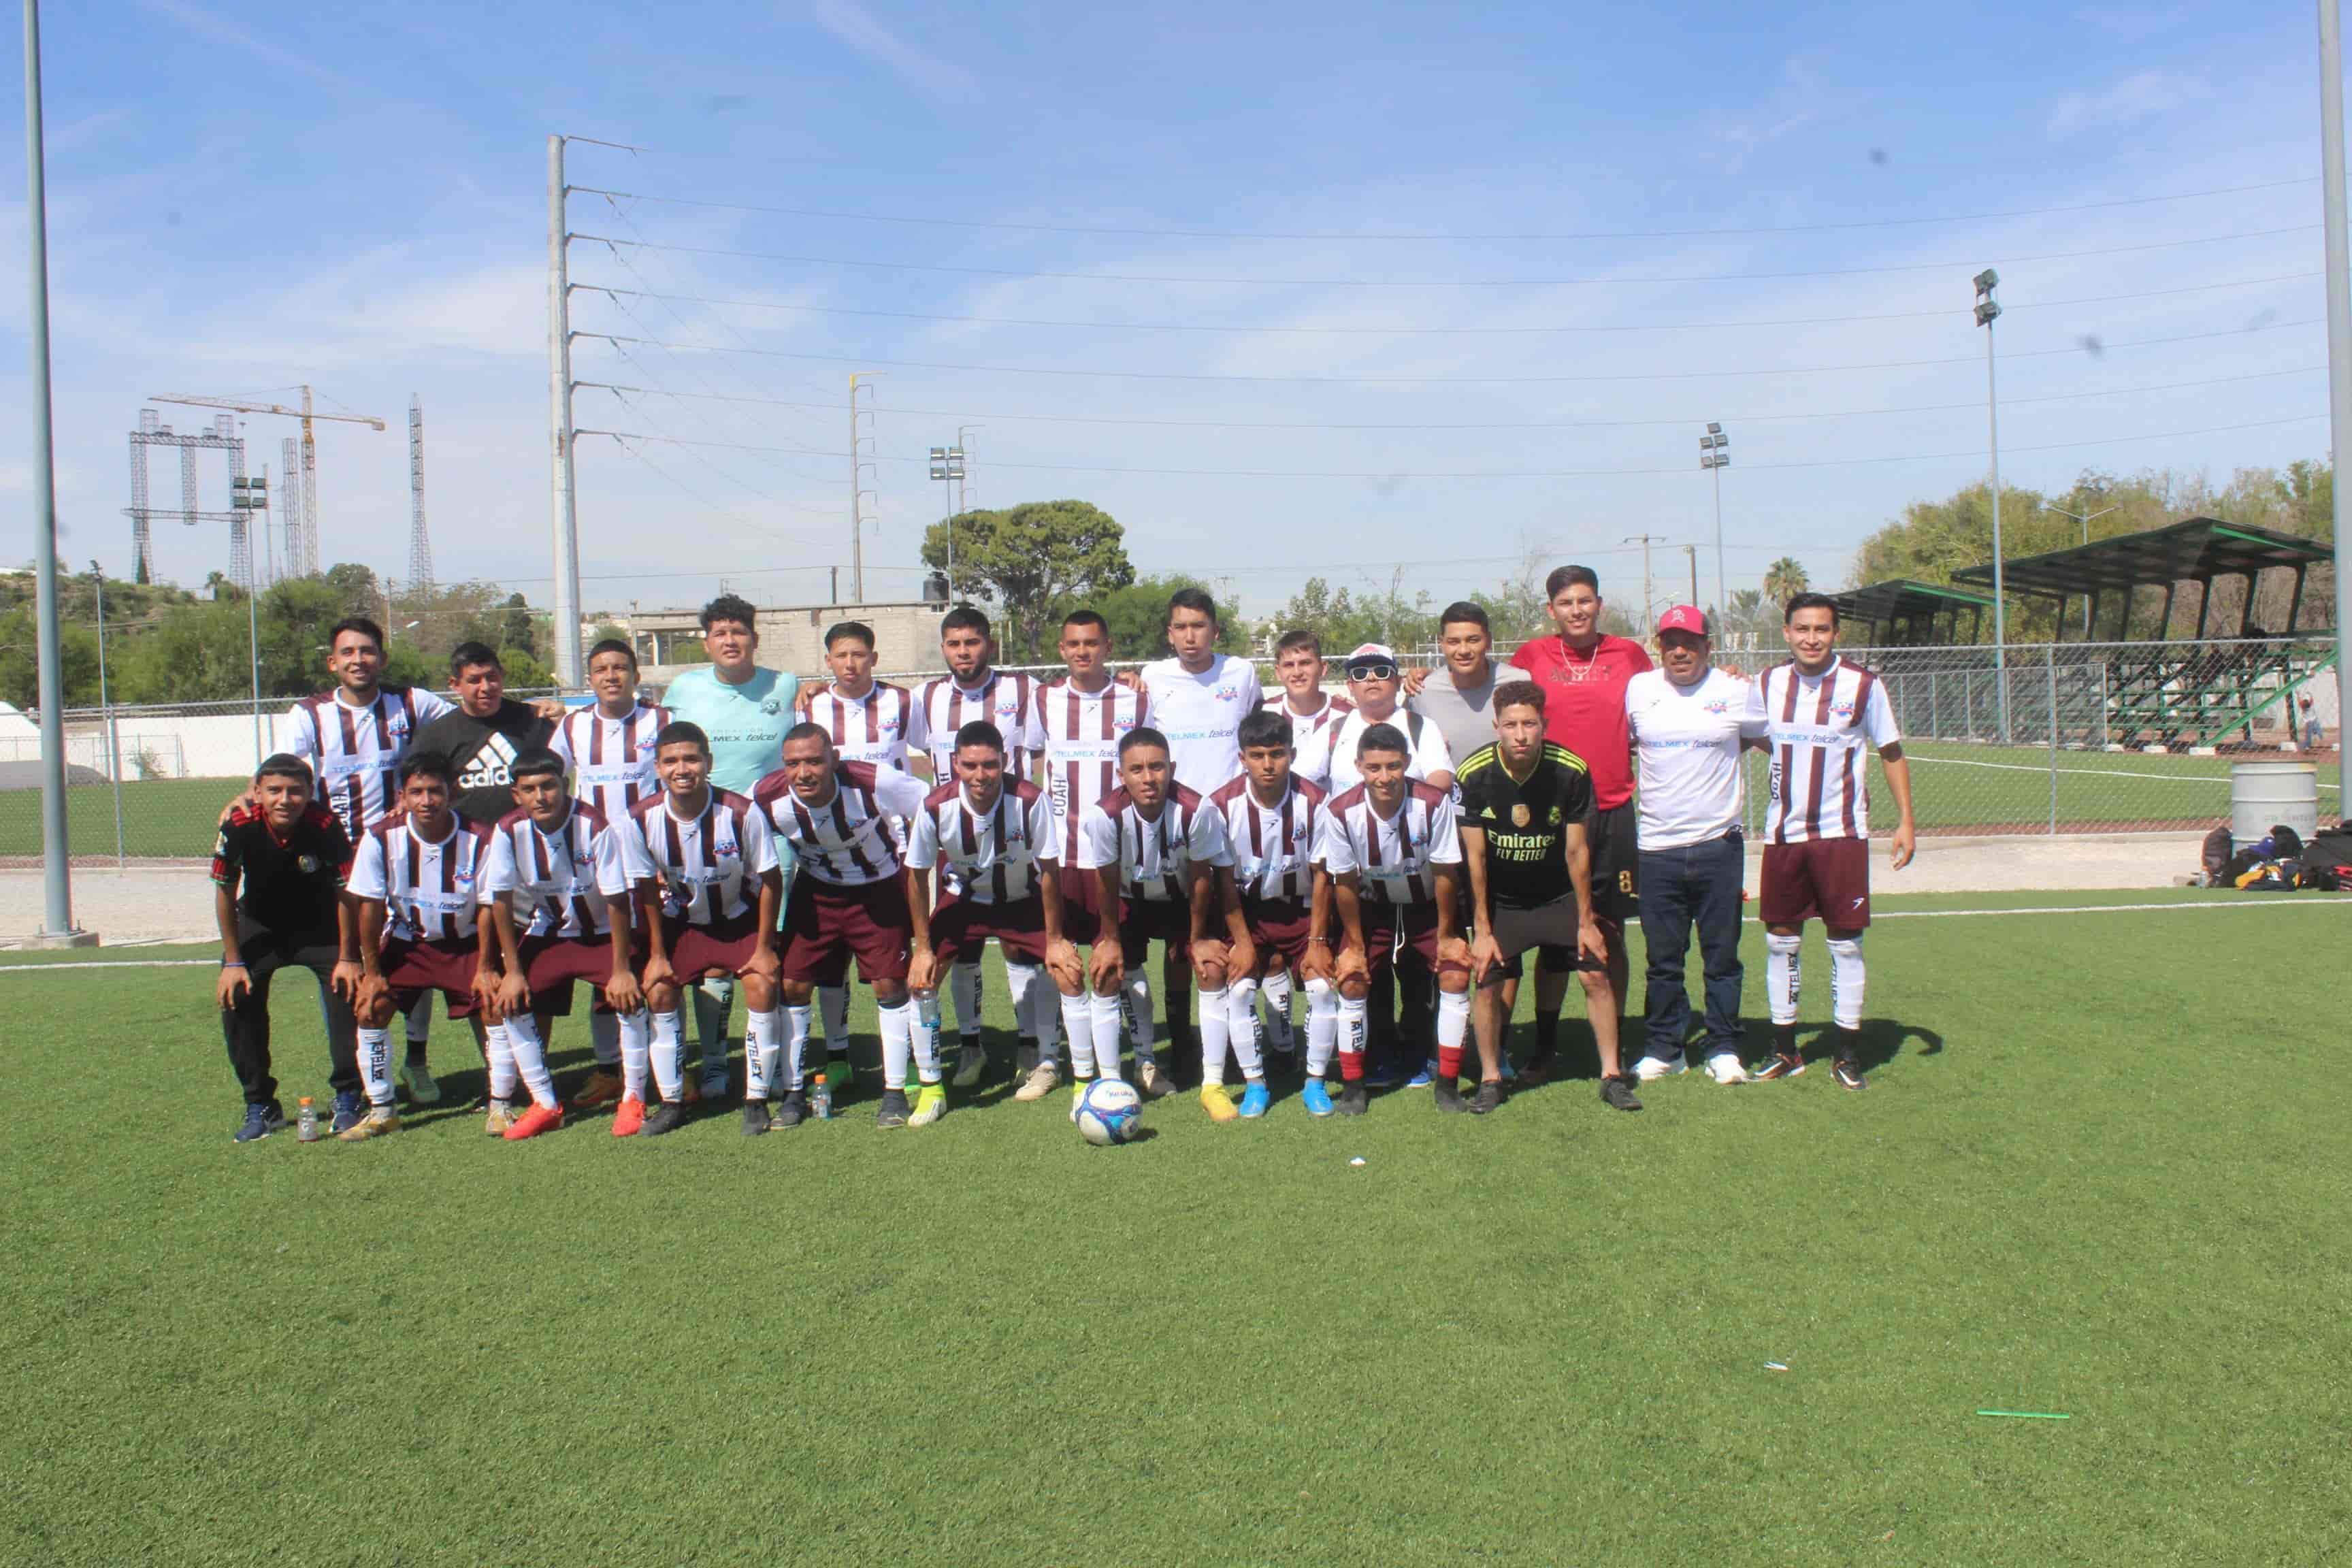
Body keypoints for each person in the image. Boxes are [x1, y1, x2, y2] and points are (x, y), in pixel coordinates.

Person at [1745, 593, 1917, 1091]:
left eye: (1822, 629)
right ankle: (1785, 1049)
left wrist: (1906, 821)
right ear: (1786, 632)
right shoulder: (1767, 683)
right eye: (1803, 629)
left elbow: (1891, 750)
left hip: (1842, 835)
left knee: (1845, 943)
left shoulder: (1864, 685)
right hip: (1784, 835)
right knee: (1781, 941)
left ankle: (1846, 1052)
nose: (1812, 638)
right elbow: (1755, 735)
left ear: (1836, 633)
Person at [280, 615, 453, 1104]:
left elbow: (469, 727)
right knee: (347, 965)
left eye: (368, 651)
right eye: (349, 652)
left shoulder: (413, 703)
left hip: (404, 859)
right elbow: (285, 772)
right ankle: (356, 1081)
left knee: (416, 959)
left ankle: (415, 1061)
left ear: (383, 657)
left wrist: (535, 711)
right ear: (333, 662)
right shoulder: (308, 715)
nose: (359, 660)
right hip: (336, 867)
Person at [1456, 683, 1634, 1113]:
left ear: (1544, 726)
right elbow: (1475, 857)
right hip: (1505, 900)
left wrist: (1586, 921)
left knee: (1595, 971)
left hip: (1557, 896)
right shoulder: (1474, 773)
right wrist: (1481, 928)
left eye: (1530, 724)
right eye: (1512, 725)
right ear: (1496, 726)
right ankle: (1492, 1078)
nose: (1521, 735)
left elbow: (1577, 850)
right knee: (1485, 979)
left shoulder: (1570, 770)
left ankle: (1613, 1074)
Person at [1505, 566, 1651, 1078]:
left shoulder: (1629, 655)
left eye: (1585, 600)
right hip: (1551, 814)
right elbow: (1495, 700)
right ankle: (1544, 1046)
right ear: (1552, 610)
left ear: (1599, 603)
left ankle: (1619, 1036)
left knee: (1611, 933)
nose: (1576, 610)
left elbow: (1668, 694)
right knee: (1553, 936)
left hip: (1612, 810)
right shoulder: (1531, 657)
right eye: (1566, 602)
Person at [753, 725, 935, 1129]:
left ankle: (893, 1092)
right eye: (793, 764)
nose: (804, 772)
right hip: (816, 890)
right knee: (794, 986)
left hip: (879, 889)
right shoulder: (766, 797)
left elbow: (930, 802)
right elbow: (743, 839)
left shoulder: (872, 782)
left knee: (889, 986)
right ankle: (794, 1093)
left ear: (833, 759)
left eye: (814, 761)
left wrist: (917, 854)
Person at [1292, 642, 1454, 1089]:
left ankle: (1420, 1052)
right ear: (1348, 684)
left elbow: (1441, 779)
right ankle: (1380, 1052)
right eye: (1360, 673)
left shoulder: (1420, 725)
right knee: (1371, 967)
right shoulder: (1333, 731)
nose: (1371, 680)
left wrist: (1399, 807)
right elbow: (1303, 783)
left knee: (1421, 972)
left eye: (1382, 670)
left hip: (1416, 864)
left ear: (1398, 679)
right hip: (1360, 876)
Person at [904, 722, 1087, 1113]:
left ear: (1004, 762)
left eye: (989, 765)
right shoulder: (936, 806)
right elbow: (917, 877)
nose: (980, 775)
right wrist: (922, 948)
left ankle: (1053, 1064)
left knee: (1068, 970)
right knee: (922, 980)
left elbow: (1051, 868)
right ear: (955, 764)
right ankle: (933, 1086)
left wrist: (1055, 940)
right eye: (970, 765)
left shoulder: (1028, 799)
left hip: (1022, 898)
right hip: (965, 901)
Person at [660, 595, 800, 1104]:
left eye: (738, 631)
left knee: (773, 953)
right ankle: (717, 1065)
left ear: (754, 638)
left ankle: (778, 1060)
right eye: (720, 632)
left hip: (775, 839)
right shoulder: (684, 689)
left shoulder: (785, 687)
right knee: (717, 960)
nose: (730, 640)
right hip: (708, 840)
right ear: (707, 642)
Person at [619, 721, 783, 1136]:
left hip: (737, 919)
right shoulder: (639, 820)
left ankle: (756, 1098)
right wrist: (657, 955)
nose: (682, 768)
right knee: (658, 989)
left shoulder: (741, 812)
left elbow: (771, 879)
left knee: (762, 985)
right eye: (671, 760)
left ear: (708, 763)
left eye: (691, 758)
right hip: (682, 923)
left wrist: (764, 948)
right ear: (657, 767)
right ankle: (672, 1102)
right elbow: (645, 891)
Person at [1625, 608, 1761, 1086]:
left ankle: (1723, 1047)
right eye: (1670, 642)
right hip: (1657, 848)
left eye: (1690, 642)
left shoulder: (1736, 691)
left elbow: (1769, 741)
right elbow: (1622, 745)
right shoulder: (1640, 689)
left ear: (1708, 646)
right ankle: (1665, 1048)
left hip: (1718, 846)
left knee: (1722, 957)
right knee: (1663, 961)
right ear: (1660, 646)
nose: (1679, 651)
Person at [916, 606, 1049, 1090]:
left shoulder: (1023, 690)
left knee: (1020, 944)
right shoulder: (925, 697)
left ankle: (1031, 1045)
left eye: (972, 642)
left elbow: (1046, 732)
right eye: (954, 643)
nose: (963, 651)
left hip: (1015, 834)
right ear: (944, 648)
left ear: (988, 644)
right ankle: (970, 1047)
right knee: (963, 948)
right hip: (959, 837)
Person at [478, 749, 642, 1141]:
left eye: (549, 786)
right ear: (516, 795)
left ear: (564, 786)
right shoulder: (507, 829)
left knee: (632, 997)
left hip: (603, 931)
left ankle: (633, 1098)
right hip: (550, 931)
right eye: (530, 789)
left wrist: (621, 970)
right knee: (511, 999)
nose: (541, 797)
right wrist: (512, 970)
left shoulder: (592, 824)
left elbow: (618, 899)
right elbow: (499, 898)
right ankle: (545, 1103)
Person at [1315, 723, 1474, 1115]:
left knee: (1454, 973)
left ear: (1406, 763)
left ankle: (1448, 1085)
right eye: (1374, 768)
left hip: (1424, 906)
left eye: (1392, 766)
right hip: (1373, 908)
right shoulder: (1340, 812)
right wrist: (1352, 945)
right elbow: (1345, 882)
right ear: (1359, 767)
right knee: (1352, 981)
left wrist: (1449, 933)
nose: (1384, 777)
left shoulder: (1434, 804)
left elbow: (1444, 873)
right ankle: (1354, 1089)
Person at [1077, 727, 1237, 1109]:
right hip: (1129, 901)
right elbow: (1105, 880)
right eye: (1137, 770)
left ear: (1172, 768)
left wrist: (1197, 938)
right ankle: (1119, 1077)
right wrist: (1110, 939)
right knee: (1108, 972)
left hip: (1183, 900)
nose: (1148, 778)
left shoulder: (1198, 810)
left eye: (1157, 767)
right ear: (1121, 776)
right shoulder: (1103, 816)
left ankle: (1190, 1058)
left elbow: (1202, 877)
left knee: (1198, 964)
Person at [344, 754, 502, 1141]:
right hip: (408, 942)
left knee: (494, 1005)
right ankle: (382, 1108)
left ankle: (500, 1102)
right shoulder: (382, 835)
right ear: (403, 795)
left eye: (435, 791)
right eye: (417, 792)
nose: (427, 801)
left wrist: (485, 966)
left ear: (453, 793)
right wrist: (373, 973)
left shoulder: (482, 836)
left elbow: (487, 906)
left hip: (463, 943)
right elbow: (369, 905)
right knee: (371, 1006)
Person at [1139, 589, 1262, 1081]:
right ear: (1170, 633)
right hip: (1176, 825)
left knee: (1236, 929)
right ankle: (1183, 1039)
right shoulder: (1152, 678)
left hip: (1233, 827)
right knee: (1178, 942)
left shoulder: (1242, 673)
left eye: (1199, 626)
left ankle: (1238, 1037)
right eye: (1181, 627)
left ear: (1215, 630)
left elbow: (1255, 735)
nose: (1190, 636)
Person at [545, 637, 668, 1111]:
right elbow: (551, 780)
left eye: (620, 668)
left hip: (648, 859)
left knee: (651, 962)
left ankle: (660, 1063)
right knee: (605, 964)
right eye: (601, 669)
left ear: (636, 676)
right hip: (591, 863)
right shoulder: (574, 726)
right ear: (591, 678)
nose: (611, 676)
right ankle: (606, 1068)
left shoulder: (659, 721)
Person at [803, 620, 927, 1087]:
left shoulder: (901, 702)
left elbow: (928, 752)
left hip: (892, 851)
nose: (850, 664)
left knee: (899, 963)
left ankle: (911, 1058)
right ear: (828, 661)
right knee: (830, 967)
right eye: (840, 656)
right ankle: (838, 1056)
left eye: (859, 655)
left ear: (874, 659)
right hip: (830, 849)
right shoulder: (812, 705)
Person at [212, 754, 362, 1141]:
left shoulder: (325, 824)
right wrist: (232, 961)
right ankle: (260, 1102)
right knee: (237, 995)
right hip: (260, 922)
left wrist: (349, 957)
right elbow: (225, 891)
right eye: (274, 790)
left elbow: (346, 894)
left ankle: (349, 1094)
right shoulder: (239, 823)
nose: (284, 800)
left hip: (319, 923)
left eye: (295, 791)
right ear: (257, 791)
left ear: (310, 793)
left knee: (349, 991)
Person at [1034, 608, 1152, 1096]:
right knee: (1062, 961)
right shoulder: (1042, 699)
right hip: (1061, 854)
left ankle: (1145, 1059)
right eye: (1073, 644)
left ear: (1108, 646)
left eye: (1092, 643)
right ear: (1062, 650)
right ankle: (1061, 1064)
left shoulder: (1134, 699)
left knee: (1129, 962)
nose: (1083, 651)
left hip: (1117, 855)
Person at [1206, 708, 1335, 1115]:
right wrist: (1243, 943)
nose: (1267, 764)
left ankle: (1314, 1081)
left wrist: (1317, 942)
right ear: (1242, 757)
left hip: (1301, 911)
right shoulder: (1221, 805)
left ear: (1292, 754)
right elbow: (1223, 882)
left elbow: (1323, 876)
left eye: (1277, 754)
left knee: (1321, 986)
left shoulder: (1316, 802)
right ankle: (1256, 1084)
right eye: (1257, 755)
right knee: (1241, 988)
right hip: (1248, 914)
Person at [1406, 602, 1504, 773]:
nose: (1463, 650)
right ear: (1441, 643)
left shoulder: (1519, 682)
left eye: (1473, 640)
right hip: (1446, 797)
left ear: (1488, 641)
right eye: (1453, 642)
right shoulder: (1421, 691)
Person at [1266, 628, 1353, 742]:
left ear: (1323, 668)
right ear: (1278, 672)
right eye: (1289, 665)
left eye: (1305, 663)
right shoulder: (1264, 712)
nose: (1297, 672)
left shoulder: (1348, 716)